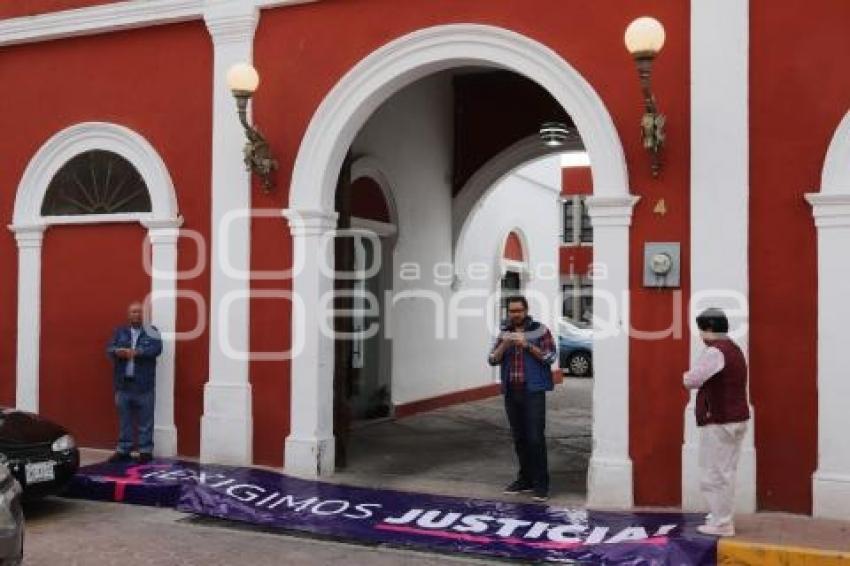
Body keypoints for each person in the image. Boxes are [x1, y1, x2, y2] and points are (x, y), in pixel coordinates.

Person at [684, 308, 750, 537]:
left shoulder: (715, 352)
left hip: (720, 420)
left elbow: (692, 380)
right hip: (735, 419)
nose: (701, 335)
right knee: (726, 471)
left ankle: (722, 523)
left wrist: (685, 375)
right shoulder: (734, 348)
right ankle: (719, 516)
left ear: (710, 329)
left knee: (714, 473)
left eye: (702, 329)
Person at [488, 295, 557, 502]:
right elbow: (492, 359)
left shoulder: (540, 330)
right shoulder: (504, 332)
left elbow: (550, 357)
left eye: (518, 311)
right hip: (512, 392)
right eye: (511, 311)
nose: (515, 314)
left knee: (535, 438)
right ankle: (525, 479)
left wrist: (527, 345)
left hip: (533, 392)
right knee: (519, 438)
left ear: (526, 310)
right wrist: (504, 345)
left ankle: (541, 485)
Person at [106, 301, 162, 464]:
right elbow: (109, 349)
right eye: (133, 312)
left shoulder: (152, 332)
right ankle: (124, 450)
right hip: (124, 385)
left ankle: (145, 452)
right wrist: (118, 351)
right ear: (128, 315)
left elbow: (156, 349)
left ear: (143, 315)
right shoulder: (120, 332)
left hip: (144, 385)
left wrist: (137, 352)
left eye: (138, 312)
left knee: (146, 420)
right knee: (125, 420)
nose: (136, 315)